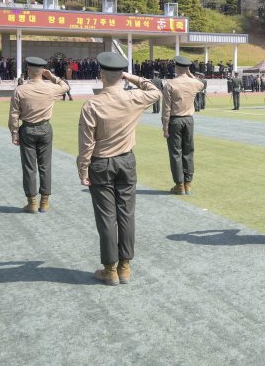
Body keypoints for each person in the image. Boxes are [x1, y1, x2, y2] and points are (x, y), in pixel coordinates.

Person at [77, 52, 161, 286]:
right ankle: (125, 267)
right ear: (121, 76)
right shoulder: (133, 97)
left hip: (101, 163)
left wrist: (83, 169)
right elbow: (155, 91)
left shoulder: (92, 104)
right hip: (126, 161)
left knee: (107, 218)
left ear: (101, 74)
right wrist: (132, 77)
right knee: (126, 214)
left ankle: (110, 269)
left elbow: (86, 143)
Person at [8, 57, 71, 213]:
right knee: (45, 166)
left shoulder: (20, 90)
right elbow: (65, 86)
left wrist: (14, 133)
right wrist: (52, 77)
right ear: (43, 71)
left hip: (27, 129)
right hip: (45, 129)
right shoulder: (50, 88)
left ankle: (32, 203)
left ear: (28, 70)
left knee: (29, 168)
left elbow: (14, 115)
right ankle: (44, 202)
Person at [162, 55, 207, 195]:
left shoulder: (170, 84)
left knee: (176, 153)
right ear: (188, 68)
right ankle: (188, 183)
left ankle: (179, 185)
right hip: (189, 120)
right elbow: (201, 84)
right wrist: (190, 74)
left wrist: (165, 126)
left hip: (175, 120)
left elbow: (166, 108)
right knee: (188, 151)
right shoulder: (195, 83)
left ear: (176, 67)